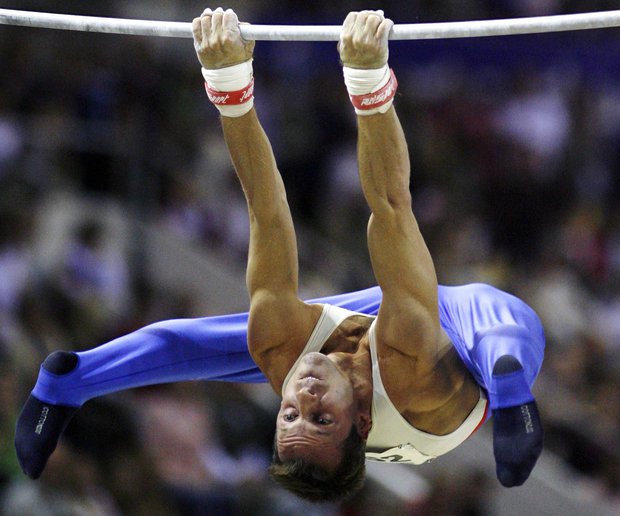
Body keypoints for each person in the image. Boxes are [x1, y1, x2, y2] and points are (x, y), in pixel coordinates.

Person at [15, 8, 545, 503]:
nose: (305, 396)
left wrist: (228, 84)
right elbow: (391, 208)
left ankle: (66, 381)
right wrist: (368, 80)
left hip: (366, 333)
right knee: (504, 337)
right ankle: (512, 394)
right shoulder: (409, 371)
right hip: (459, 355)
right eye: (321, 419)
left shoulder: (286, 359)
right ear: (361, 423)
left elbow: (266, 209)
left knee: (200, 342)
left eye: (290, 413)